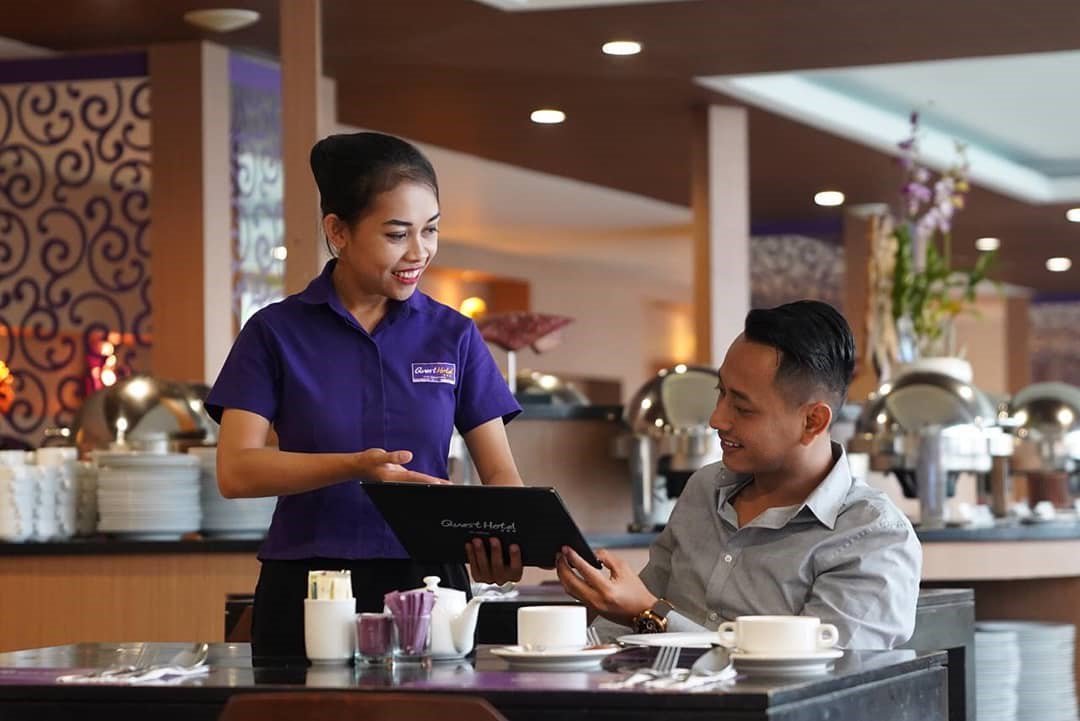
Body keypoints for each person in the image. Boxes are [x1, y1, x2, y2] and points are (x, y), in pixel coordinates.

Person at [206, 131, 524, 661]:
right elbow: (237, 471)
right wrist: (356, 466)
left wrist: (509, 539)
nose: (419, 252)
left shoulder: (454, 335)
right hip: (308, 581)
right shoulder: (275, 332)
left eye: (431, 230)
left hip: (429, 584)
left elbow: (501, 476)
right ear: (338, 231)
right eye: (397, 234)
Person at [556, 300, 922, 649]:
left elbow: (816, 679)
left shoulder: (871, 538)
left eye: (742, 408)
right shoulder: (704, 488)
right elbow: (625, 624)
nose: (717, 419)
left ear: (813, 421)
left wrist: (651, 614)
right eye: (721, 394)